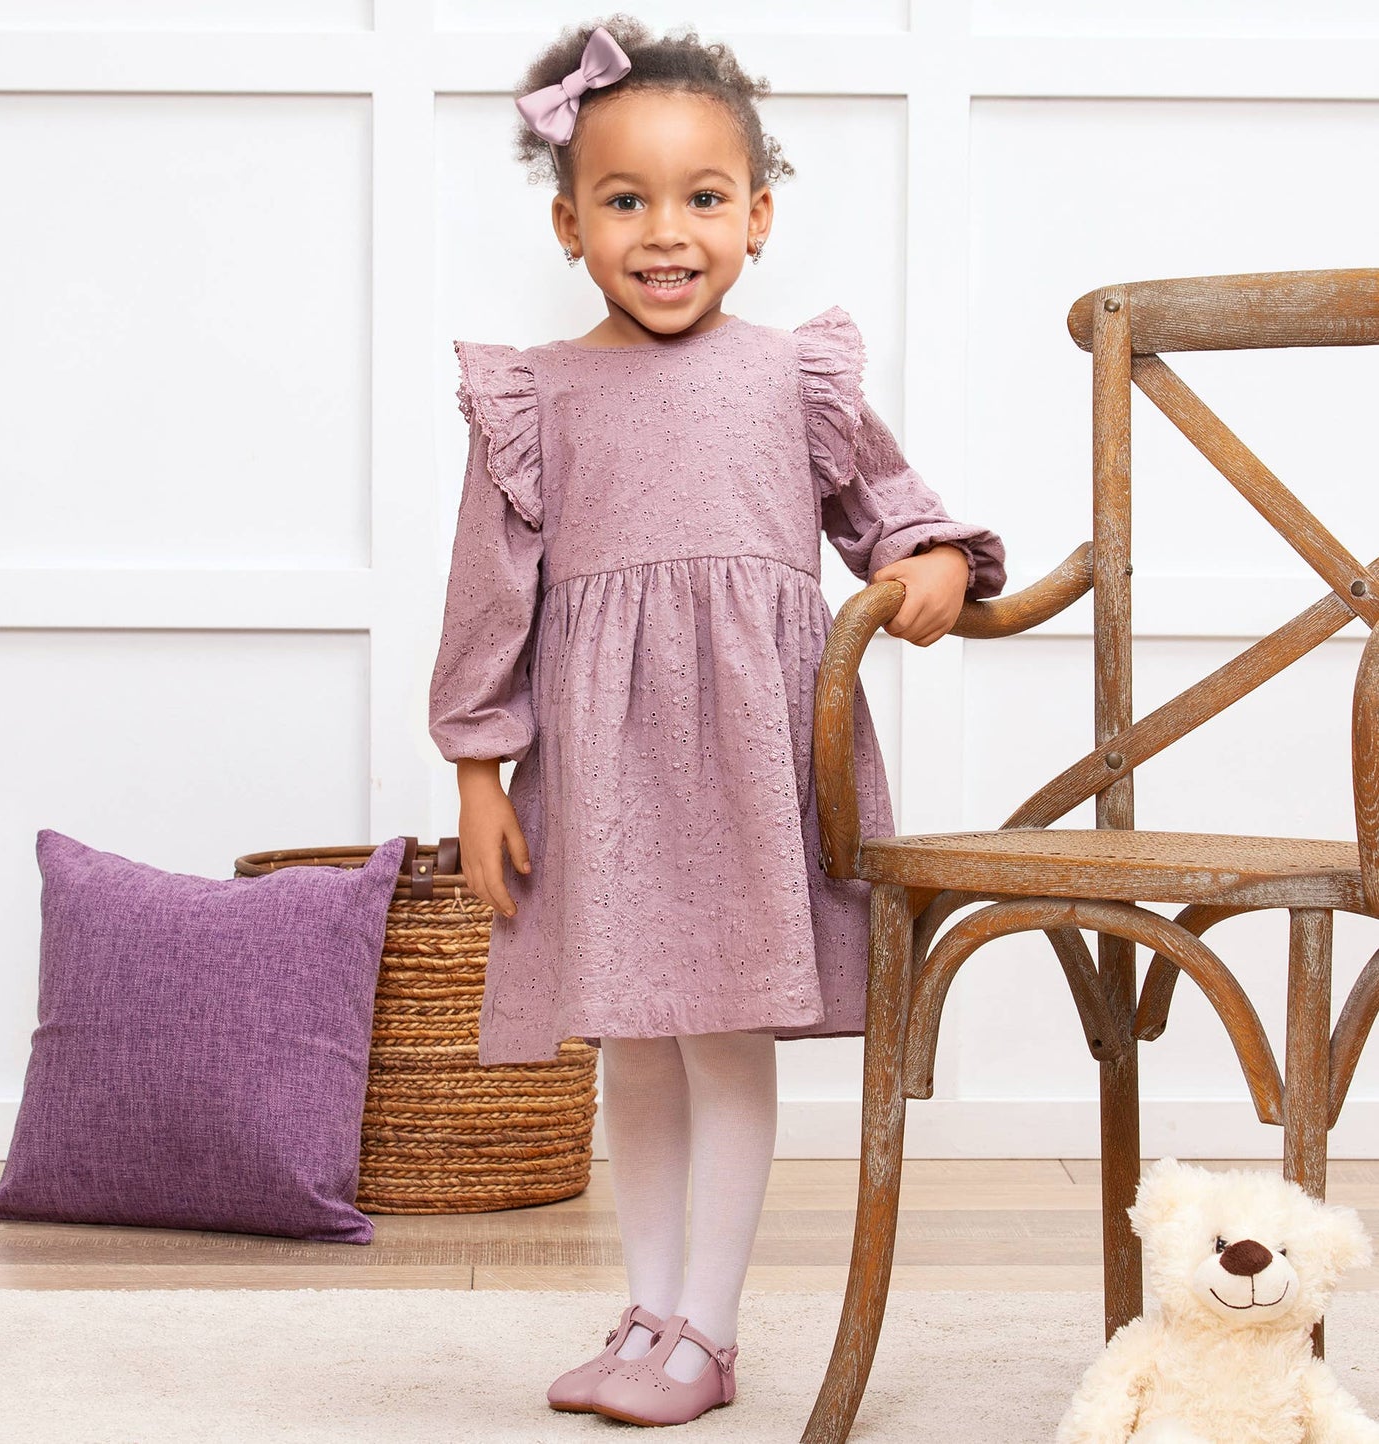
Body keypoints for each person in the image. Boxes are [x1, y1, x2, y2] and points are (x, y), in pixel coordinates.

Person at [427, 15, 1006, 1429]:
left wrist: (927, 560)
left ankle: (711, 1330)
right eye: (625, 201)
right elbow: (488, 599)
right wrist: (479, 777)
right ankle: (646, 1309)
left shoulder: (788, 376)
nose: (664, 233)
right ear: (569, 224)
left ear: (756, 214)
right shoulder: (534, 396)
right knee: (632, 1040)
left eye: (700, 200)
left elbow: (891, 510)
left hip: (752, 767)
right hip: (605, 775)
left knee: (724, 1038)